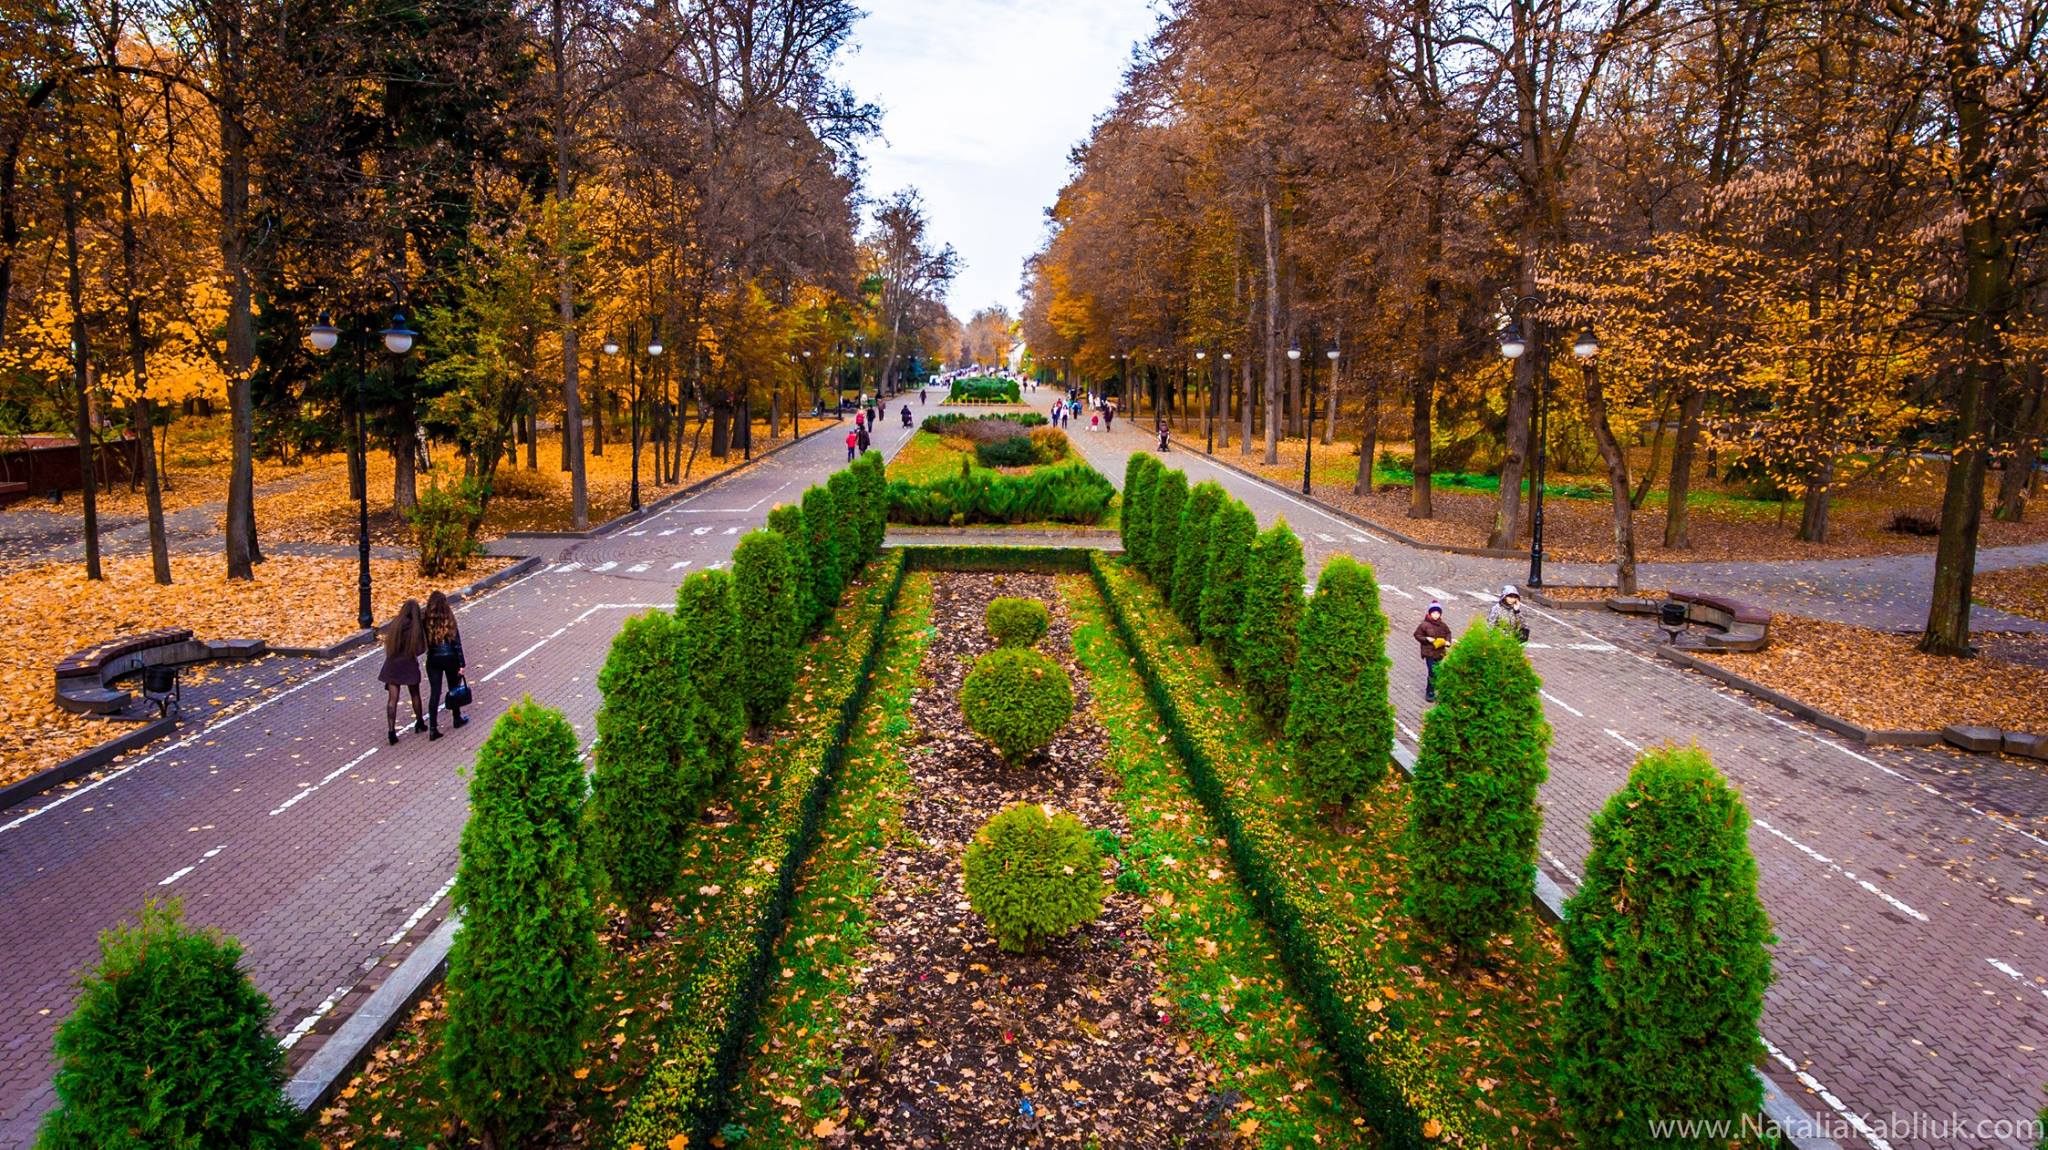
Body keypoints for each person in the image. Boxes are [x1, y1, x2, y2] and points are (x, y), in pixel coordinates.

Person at [377, 599, 426, 745]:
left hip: (392, 665)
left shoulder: (395, 625)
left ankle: (391, 731)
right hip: (409, 664)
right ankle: (419, 722)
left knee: (393, 699)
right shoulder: (416, 628)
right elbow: (421, 649)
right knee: (415, 694)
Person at [422, 590, 468, 739]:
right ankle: (456, 717)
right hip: (450, 658)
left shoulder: (426, 621)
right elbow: (457, 642)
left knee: (435, 693)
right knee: (453, 688)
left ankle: (433, 728)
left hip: (434, 659)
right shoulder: (449, 618)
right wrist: (461, 663)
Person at [1413, 601, 1452, 702]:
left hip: (1440, 652)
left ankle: (1432, 689)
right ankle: (1430, 692)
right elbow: (1417, 635)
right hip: (1429, 652)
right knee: (1433, 672)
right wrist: (1426, 639)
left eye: (1438, 613)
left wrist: (1448, 641)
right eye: (1434, 613)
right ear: (1430, 613)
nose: (1436, 615)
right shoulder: (1424, 625)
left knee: (1437, 672)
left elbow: (1448, 633)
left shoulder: (1443, 625)